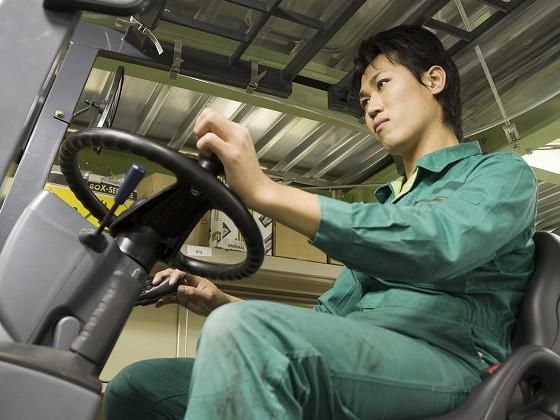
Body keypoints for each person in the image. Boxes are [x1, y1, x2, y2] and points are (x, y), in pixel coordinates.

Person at [103, 25, 537, 420]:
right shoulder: (389, 201)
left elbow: (439, 245)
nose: (372, 108)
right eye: (364, 101)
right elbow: (328, 316)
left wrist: (266, 192)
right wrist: (220, 302)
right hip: (360, 359)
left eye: (383, 85)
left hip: (451, 364)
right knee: (137, 387)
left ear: (434, 80)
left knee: (248, 334)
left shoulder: (500, 174)